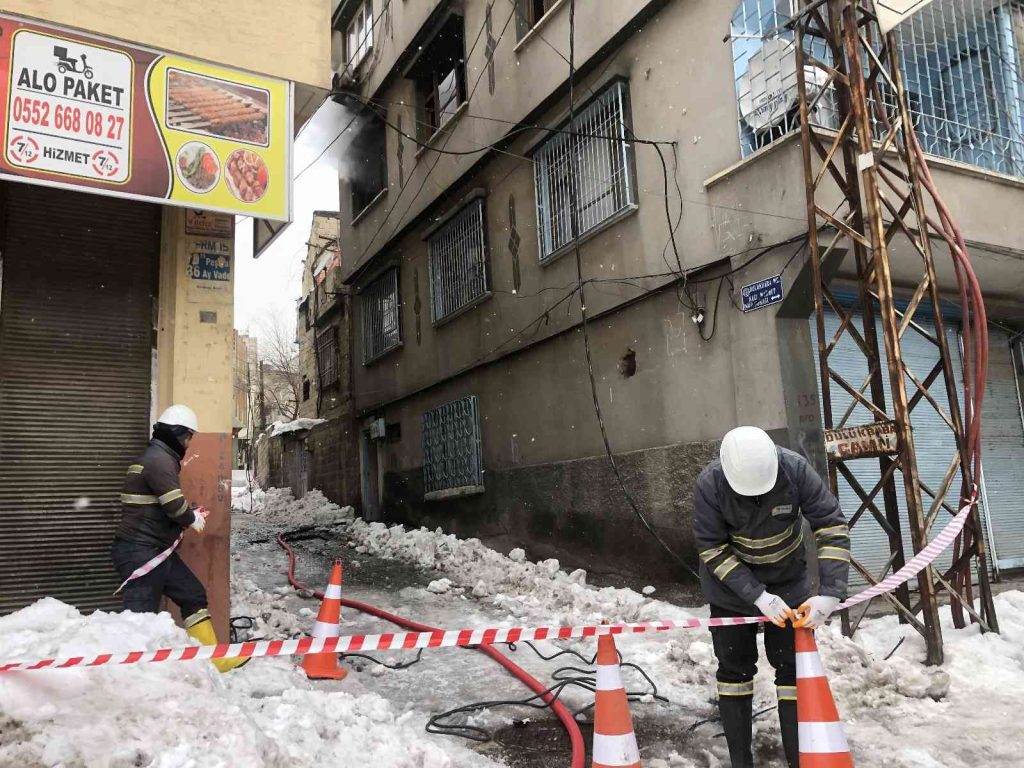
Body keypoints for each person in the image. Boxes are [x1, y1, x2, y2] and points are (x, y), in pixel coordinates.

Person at [693, 426, 850, 768]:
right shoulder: (710, 484)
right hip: (730, 592)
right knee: (734, 671)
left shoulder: (794, 470)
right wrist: (758, 596)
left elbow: (831, 525)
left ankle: (800, 758)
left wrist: (830, 593)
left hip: (788, 581)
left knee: (792, 670)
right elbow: (712, 548)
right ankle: (741, 762)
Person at [111, 404, 248, 672]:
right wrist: (192, 518)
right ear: (176, 433)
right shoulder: (159, 461)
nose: (187, 443)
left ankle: (214, 660)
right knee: (141, 619)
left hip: (156, 551)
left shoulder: (158, 457)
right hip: (141, 553)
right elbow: (174, 506)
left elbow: (162, 505)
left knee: (192, 594)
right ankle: (135, 675)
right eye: (187, 437)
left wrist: (188, 514)